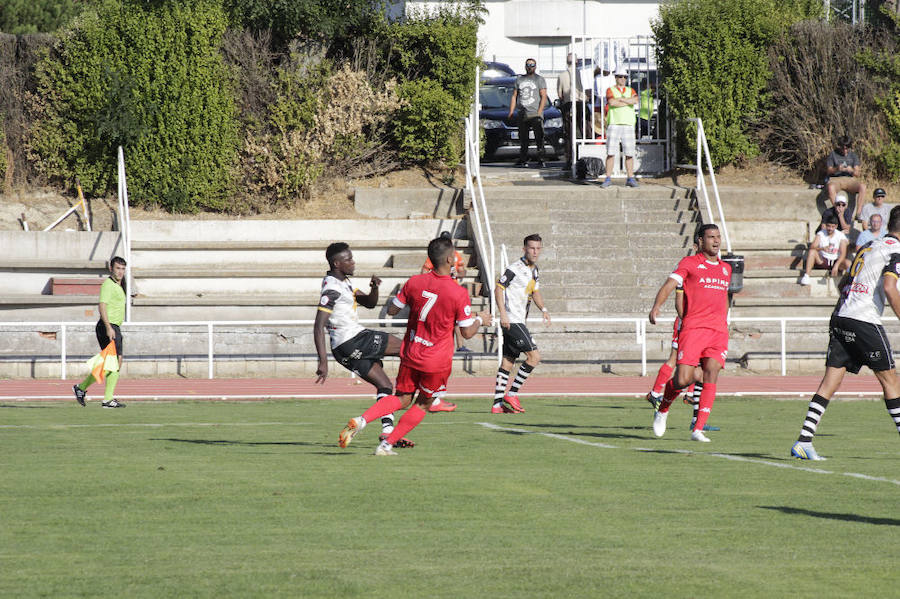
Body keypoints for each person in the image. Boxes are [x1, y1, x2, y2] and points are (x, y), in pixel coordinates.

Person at [338, 236, 492, 456]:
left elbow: (392, 310)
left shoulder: (414, 282)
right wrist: (480, 320)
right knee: (422, 404)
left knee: (402, 398)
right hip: (435, 360)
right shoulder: (458, 292)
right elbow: (466, 332)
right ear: (450, 259)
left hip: (411, 352)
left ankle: (361, 420)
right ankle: (386, 445)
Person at [790, 205, 900, 460]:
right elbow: (890, 286)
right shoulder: (896, 250)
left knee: (831, 380)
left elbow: (844, 282)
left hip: (841, 315)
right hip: (864, 319)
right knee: (891, 380)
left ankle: (804, 440)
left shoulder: (869, 245)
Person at [313, 243, 416, 447]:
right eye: (348, 259)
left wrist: (374, 288)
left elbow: (369, 303)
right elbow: (318, 325)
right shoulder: (332, 288)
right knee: (408, 349)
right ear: (337, 263)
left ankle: (387, 433)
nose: (353, 262)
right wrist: (322, 362)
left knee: (385, 385)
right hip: (353, 339)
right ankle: (430, 395)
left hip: (343, 349)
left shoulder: (343, 282)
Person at [648, 224, 731, 442]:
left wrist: (724, 322)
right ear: (700, 241)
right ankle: (663, 408)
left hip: (718, 331)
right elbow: (669, 285)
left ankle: (698, 428)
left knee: (711, 372)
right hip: (693, 328)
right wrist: (656, 306)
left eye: (718, 236)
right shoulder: (689, 264)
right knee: (684, 379)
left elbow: (723, 299)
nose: (716, 241)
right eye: (711, 237)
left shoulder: (726, 269)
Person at [491, 234, 551, 413]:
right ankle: (512, 393)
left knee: (508, 362)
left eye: (538, 248)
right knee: (534, 357)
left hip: (518, 320)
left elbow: (535, 292)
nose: (535, 251)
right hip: (512, 320)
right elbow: (498, 289)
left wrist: (544, 309)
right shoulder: (514, 268)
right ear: (524, 249)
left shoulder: (534, 270)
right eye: (532, 248)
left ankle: (497, 405)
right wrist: (503, 314)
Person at [72, 256, 127, 408]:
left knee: (111, 363)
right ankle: (106, 399)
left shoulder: (119, 285)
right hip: (107, 326)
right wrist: (109, 327)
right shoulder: (108, 285)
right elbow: (102, 306)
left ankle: (81, 388)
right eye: (118, 268)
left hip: (114, 326)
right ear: (111, 268)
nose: (120, 272)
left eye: (123, 269)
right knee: (114, 362)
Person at [421, 231, 469, 356]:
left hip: (453, 290)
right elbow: (424, 271)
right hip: (439, 290)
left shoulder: (456, 255)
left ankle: (460, 346)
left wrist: (457, 274)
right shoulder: (437, 255)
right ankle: (435, 346)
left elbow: (463, 271)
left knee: (458, 320)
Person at [600, 70, 639, 189]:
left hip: (628, 124)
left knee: (629, 153)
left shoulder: (630, 90)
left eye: (625, 77)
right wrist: (627, 101)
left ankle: (630, 177)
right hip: (614, 123)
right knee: (611, 152)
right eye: (620, 77)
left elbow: (636, 100)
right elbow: (612, 102)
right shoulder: (610, 89)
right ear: (616, 78)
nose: (623, 79)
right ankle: (608, 178)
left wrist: (621, 99)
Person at [508, 58, 548, 168]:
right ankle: (523, 159)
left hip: (535, 113)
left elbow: (543, 96)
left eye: (532, 65)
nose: (530, 66)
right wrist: (511, 111)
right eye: (528, 65)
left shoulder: (539, 79)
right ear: (525, 66)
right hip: (522, 112)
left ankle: (541, 159)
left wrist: (540, 111)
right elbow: (514, 96)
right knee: (523, 138)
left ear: (535, 66)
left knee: (539, 137)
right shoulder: (519, 79)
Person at [825, 135, 867, 222]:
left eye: (847, 148)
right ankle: (838, 212)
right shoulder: (833, 154)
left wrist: (851, 170)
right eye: (843, 148)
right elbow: (828, 171)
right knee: (830, 187)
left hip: (849, 179)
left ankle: (858, 213)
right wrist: (837, 169)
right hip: (836, 179)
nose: (845, 150)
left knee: (863, 186)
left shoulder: (853, 155)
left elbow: (857, 173)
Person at [799, 214, 849, 285]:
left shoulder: (841, 236)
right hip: (823, 260)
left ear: (836, 226)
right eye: (828, 226)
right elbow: (812, 247)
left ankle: (851, 282)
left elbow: (843, 254)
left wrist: (836, 265)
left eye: (832, 226)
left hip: (835, 261)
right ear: (826, 225)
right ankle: (807, 276)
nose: (830, 229)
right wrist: (822, 248)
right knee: (812, 252)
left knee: (848, 263)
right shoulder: (821, 234)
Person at [557, 53, 585, 171]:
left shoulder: (562, 75)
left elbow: (560, 94)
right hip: (580, 103)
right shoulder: (582, 74)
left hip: (568, 104)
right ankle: (582, 157)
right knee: (582, 131)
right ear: (577, 61)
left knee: (569, 133)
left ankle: (569, 160)